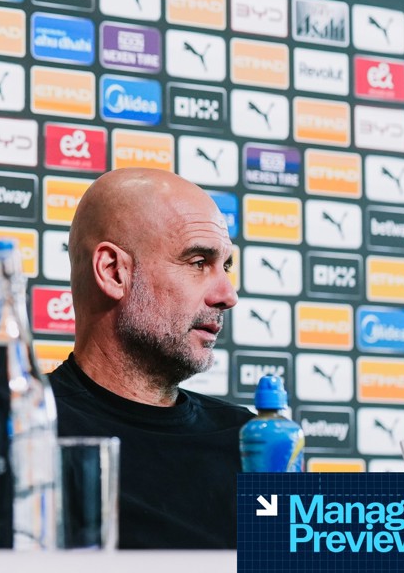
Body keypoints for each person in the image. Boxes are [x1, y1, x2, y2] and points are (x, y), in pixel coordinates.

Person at [48, 167, 253, 549]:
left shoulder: (252, 444)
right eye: (198, 263)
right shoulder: (19, 430)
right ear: (113, 272)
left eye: (224, 266)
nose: (228, 294)